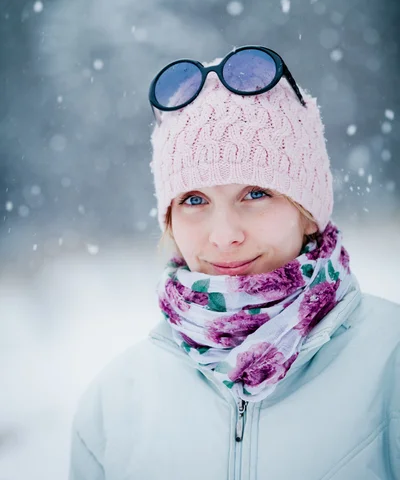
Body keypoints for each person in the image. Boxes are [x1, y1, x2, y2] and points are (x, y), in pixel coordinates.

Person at [68, 46, 400, 480]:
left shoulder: (390, 364)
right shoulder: (114, 404)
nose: (224, 234)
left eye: (256, 193)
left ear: (307, 210)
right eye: (194, 200)